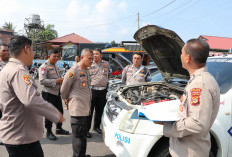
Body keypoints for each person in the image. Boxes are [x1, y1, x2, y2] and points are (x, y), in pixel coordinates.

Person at [0, 36, 65, 157]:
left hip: (16, 133)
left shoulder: (7, 68)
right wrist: (56, 114)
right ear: (26, 49)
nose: (33, 54)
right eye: (32, 50)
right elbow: (31, 100)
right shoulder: (18, 71)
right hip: (21, 136)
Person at [161, 39, 220, 157]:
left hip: (190, 152)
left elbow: (197, 123)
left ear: (188, 58)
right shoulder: (198, 80)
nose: (180, 56)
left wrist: (168, 126)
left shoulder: (200, 84)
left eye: (182, 53)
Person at [61, 48, 93, 157]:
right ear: (82, 57)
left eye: (92, 59)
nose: (91, 61)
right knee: (78, 137)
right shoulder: (74, 70)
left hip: (85, 109)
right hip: (78, 110)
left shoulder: (86, 70)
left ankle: (81, 155)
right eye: (89, 58)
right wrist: (66, 99)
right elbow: (64, 88)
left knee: (82, 136)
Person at [39, 49, 69, 140]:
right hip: (48, 94)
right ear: (49, 57)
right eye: (54, 56)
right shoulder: (44, 67)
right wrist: (56, 81)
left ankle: (59, 128)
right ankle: (49, 132)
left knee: (60, 111)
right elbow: (42, 81)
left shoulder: (55, 65)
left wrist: (60, 80)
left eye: (57, 56)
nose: (56, 58)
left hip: (57, 93)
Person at [87, 48, 110, 137]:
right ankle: (86, 130)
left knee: (99, 111)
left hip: (103, 91)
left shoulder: (106, 64)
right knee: (90, 111)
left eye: (97, 54)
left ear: (101, 55)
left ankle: (96, 127)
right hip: (92, 90)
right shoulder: (89, 63)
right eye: (93, 54)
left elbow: (109, 75)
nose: (95, 55)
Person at [0, 43, 10, 145]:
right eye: (4, 50)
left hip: (10, 98)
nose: (6, 52)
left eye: (8, 50)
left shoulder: (13, 63)